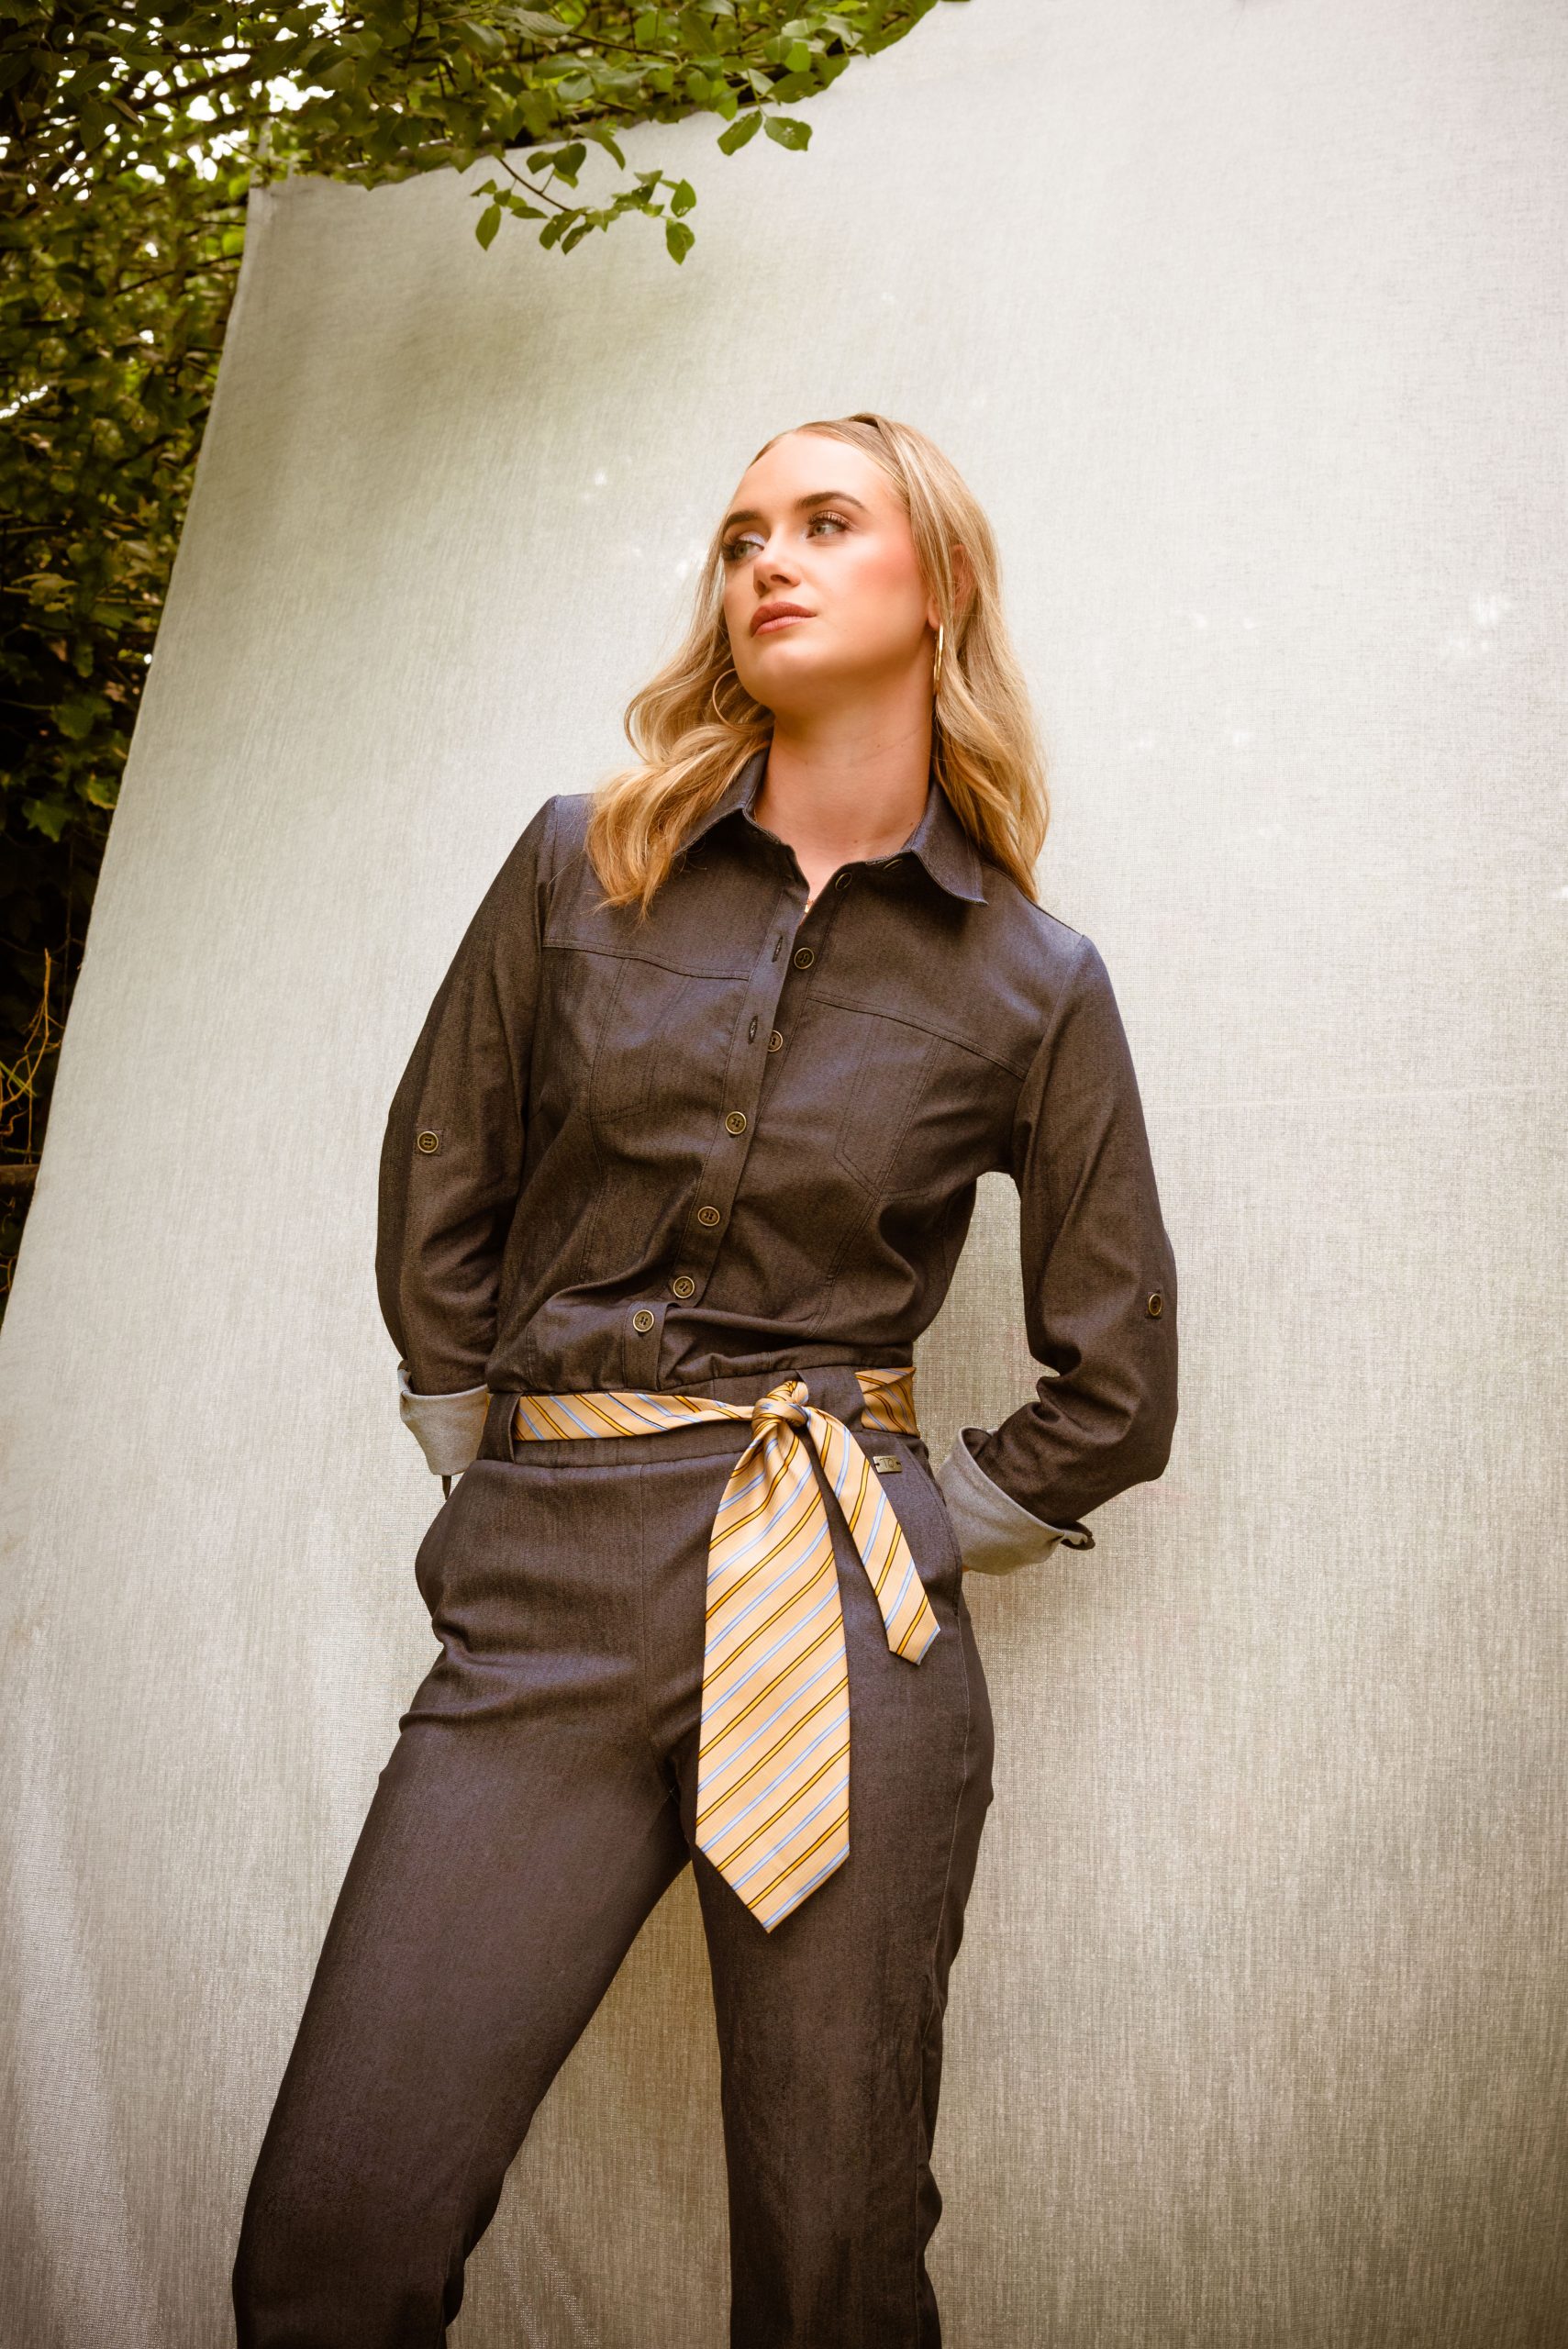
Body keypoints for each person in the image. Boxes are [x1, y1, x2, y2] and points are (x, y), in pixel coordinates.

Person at [231, 408, 1179, 2347]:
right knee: (334, 2237)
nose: (768, 561)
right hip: (546, 1593)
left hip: (843, 1609)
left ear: (941, 587)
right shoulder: (580, 862)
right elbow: (445, 1177)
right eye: (745, 532)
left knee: (834, 2266)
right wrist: (507, 1462)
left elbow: (1120, 1374)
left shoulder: (1031, 976)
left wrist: (910, 1525)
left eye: (825, 522)